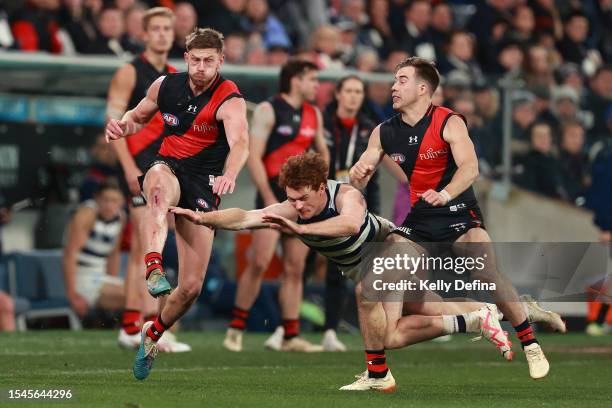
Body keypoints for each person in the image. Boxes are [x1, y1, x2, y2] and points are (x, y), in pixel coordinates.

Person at [170, 152, 564, 392]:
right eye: (291, 200)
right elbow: (245, 216)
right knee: (424, 314)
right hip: (381, 265)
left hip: (396, 254)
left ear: (319, 187)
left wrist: (301, 229)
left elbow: (349, 225)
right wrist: (204, 218)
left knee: (379, 318)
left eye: (301, 199)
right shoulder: (293, 207)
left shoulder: (347, 195)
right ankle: (510, 312)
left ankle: (382, 373)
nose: (295, 207)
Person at [349, 57, 558, 381]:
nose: (393, 86)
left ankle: (530, 343)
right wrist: (357, 174)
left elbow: (470, 169)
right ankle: (377, 374)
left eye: (402, 80)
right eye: (394, 80)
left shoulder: (449, 121)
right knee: (369, 287)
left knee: (485, 269)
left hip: (459, 212)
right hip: (420, 221)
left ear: (423, 88)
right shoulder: (384, 131)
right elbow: (363, 167)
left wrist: (445, 194)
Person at [105, 27, 249, 381]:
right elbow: (137, 118)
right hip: (168, 165)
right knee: (155, 193)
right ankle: (154, 266)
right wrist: (121, 127)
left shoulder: (230, 98)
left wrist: (230, 174)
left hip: (204, 182)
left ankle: (152, 333)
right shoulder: (164, 86)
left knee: (191, 288)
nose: (201, 68)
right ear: (185, 59)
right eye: (195, 60)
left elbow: (240, 143)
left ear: (221, 61)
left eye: (209, 61)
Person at [222, 59, 329, 353]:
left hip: (301, 204)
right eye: (312, 80)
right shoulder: (269, 110)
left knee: (296, 267)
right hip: (272, 198)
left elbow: (322, 154)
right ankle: (236, 328)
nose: (317, 86)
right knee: (259, 261)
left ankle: (290, 336)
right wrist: (268, 195)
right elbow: (254, 156)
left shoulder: (313, 115)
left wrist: (320, 190)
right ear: (296, 80)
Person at [107, 7, 188, 353]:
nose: (161, 34)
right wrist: (127, 168)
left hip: (166, 171)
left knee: (158, 246)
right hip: (139, 167)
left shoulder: (173, 76)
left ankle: (145, 325)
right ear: (144, 33)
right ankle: (132, 325)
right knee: (146, 247)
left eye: (167, 29)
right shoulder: (129, 71)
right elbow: (113, 124)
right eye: (155, 28)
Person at [321, 75, 379, 351]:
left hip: (353, 205)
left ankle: (332, 329)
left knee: (342, 268)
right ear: (338, 94)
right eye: (349, 91)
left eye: (359, 91)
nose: (354, 96)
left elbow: (374, 177)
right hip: (320, 201)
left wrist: (374, 209)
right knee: (300, 265)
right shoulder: (322, 123)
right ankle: (287, 328)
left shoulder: (369, 130)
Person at [62, 179, 126, 318]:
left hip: (102, 279)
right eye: (105, 200)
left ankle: (159, 336)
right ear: (97, 199)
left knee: (159, 296)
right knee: (138, 296)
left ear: (122, 202)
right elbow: (70, 254)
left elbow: (114, 254)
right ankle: (147, 334)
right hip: (83, 281)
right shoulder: (87, 214)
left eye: (114, 201)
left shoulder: (120, 217)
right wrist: (72, 295)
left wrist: (112, 282)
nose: (109, 205)